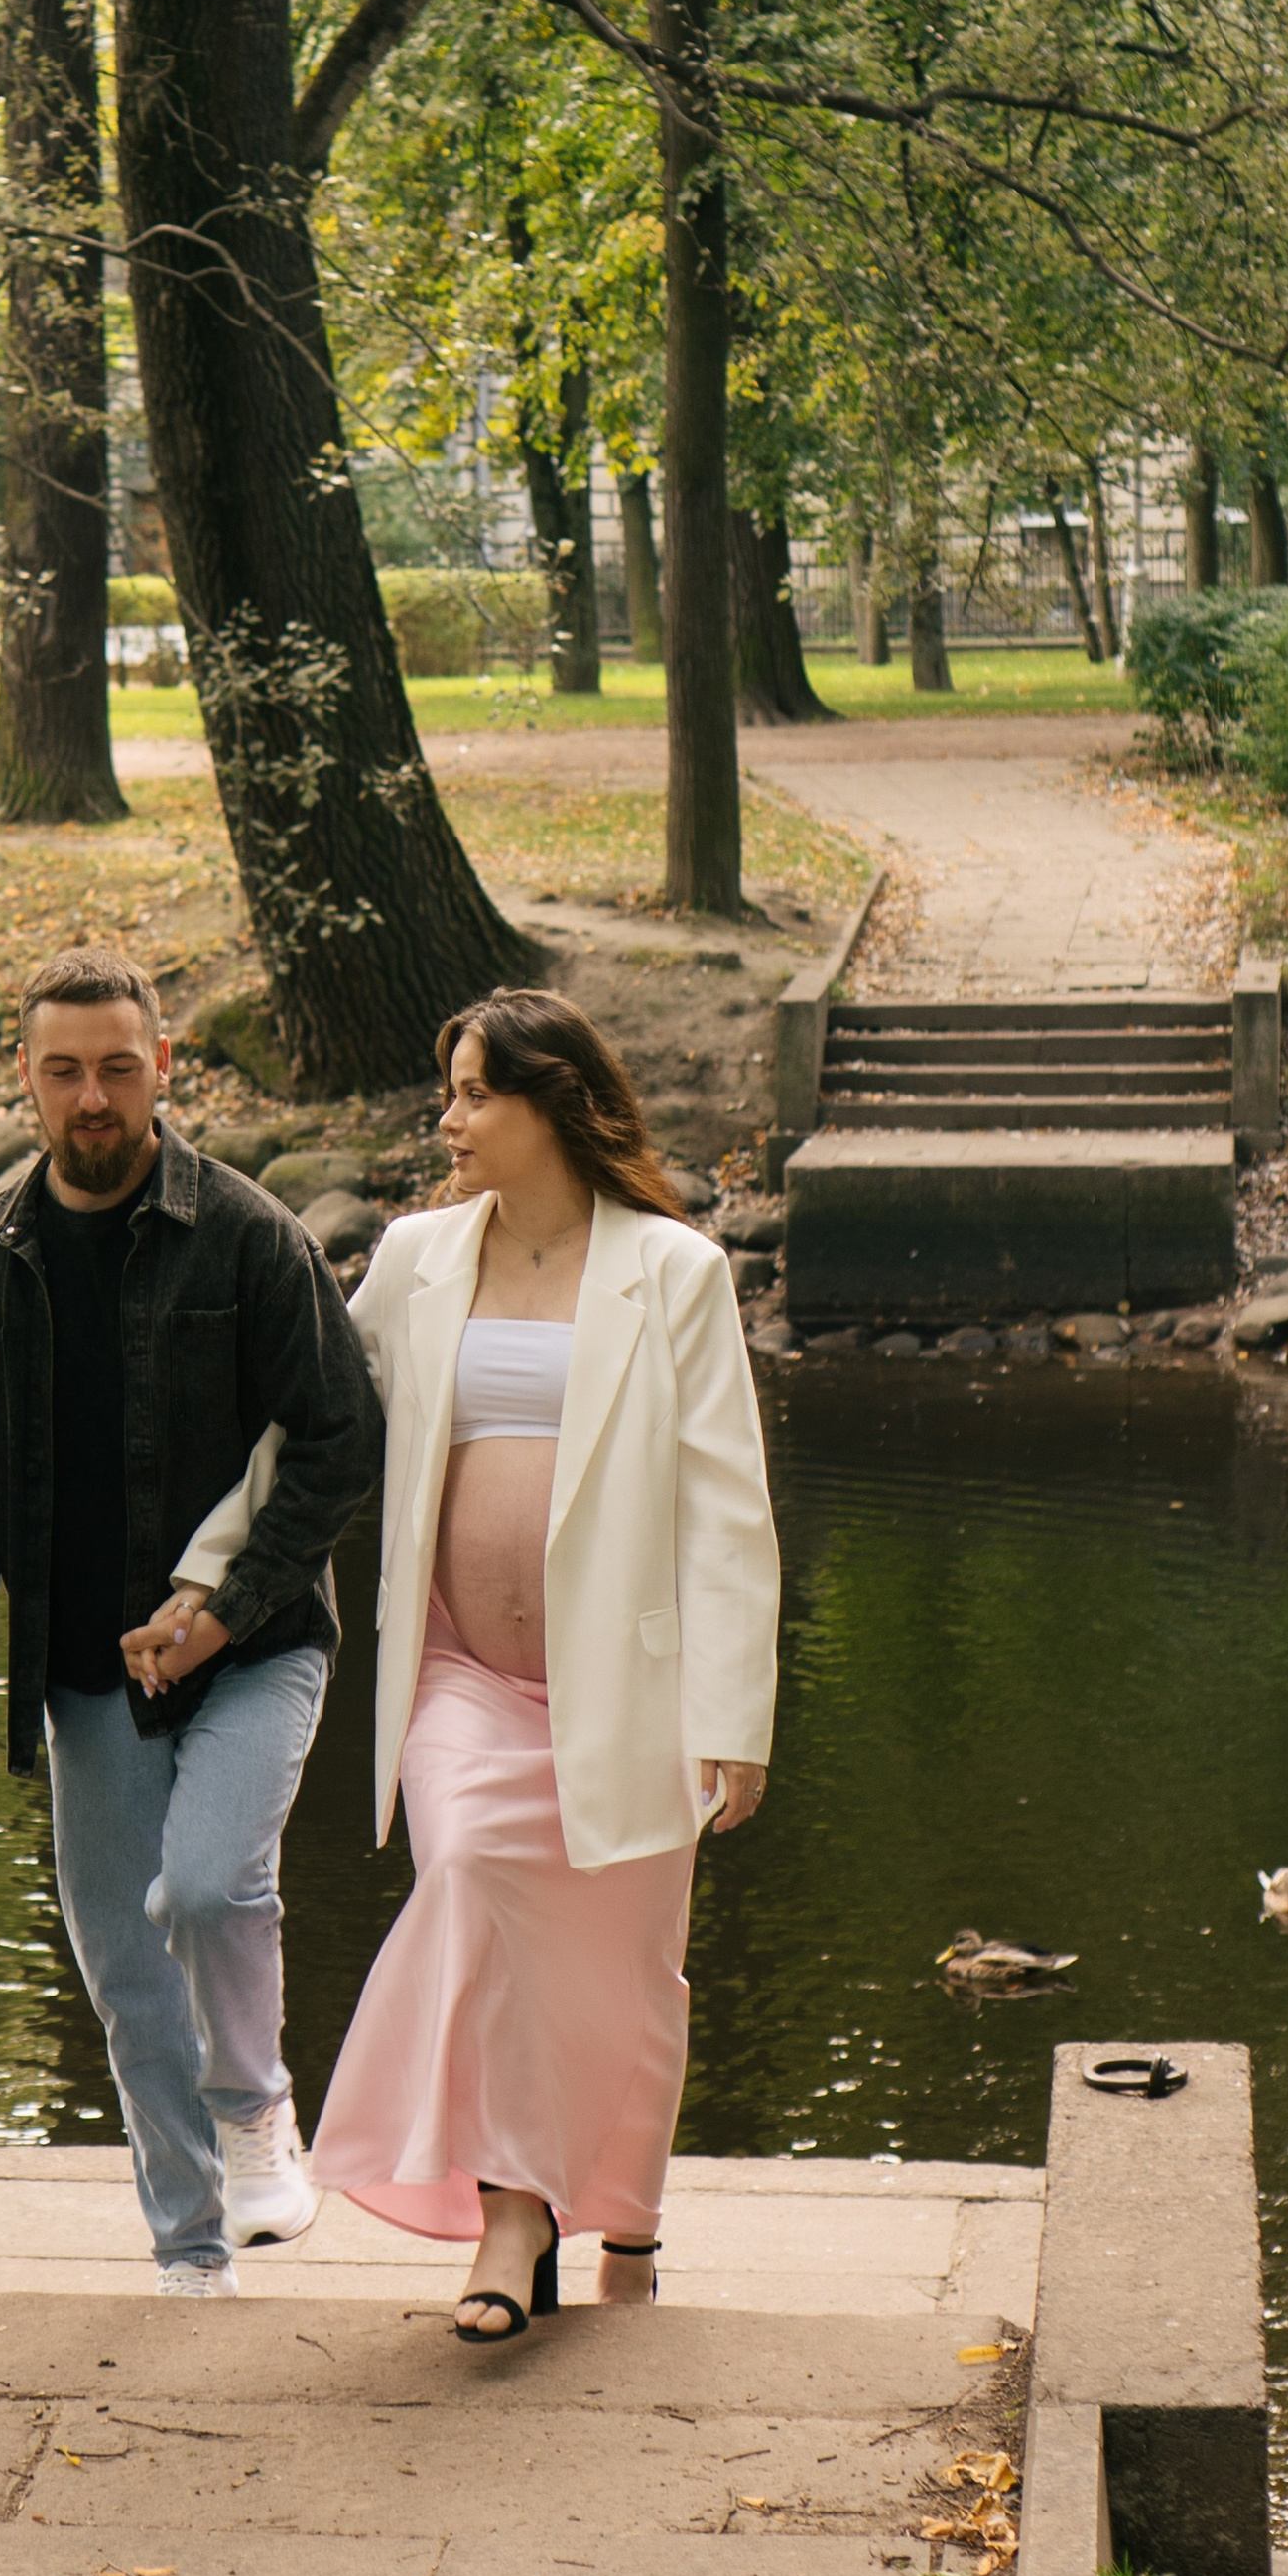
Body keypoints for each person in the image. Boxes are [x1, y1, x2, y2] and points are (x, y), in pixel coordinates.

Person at [0, 945, 386, 2292]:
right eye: (64, 1072)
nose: (93, 1098)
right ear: (25, 1077)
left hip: (256, 1649)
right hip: (81, 1675)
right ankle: (190, 2254)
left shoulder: (249, 1235)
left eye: (119, 1068)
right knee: (127, 1973)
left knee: (211, 1884)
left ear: (163, 1066)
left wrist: (227, 1607)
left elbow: (344, 1438)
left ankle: (258, 2109)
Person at [310, 986, 778, 2342]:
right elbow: (315, 1428)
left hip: (630, 1692)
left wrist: (733, 1716)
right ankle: (512, 2217)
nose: (448, 1122)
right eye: (449, 1093)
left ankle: (626, 2220)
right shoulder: (415, 1258)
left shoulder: (674, 1273)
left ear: (553, 1104)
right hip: (459, 1675)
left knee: (625, 1973)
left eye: (473, 1095)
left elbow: (728, 1509)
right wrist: (204, 1573)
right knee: (470, 1874)